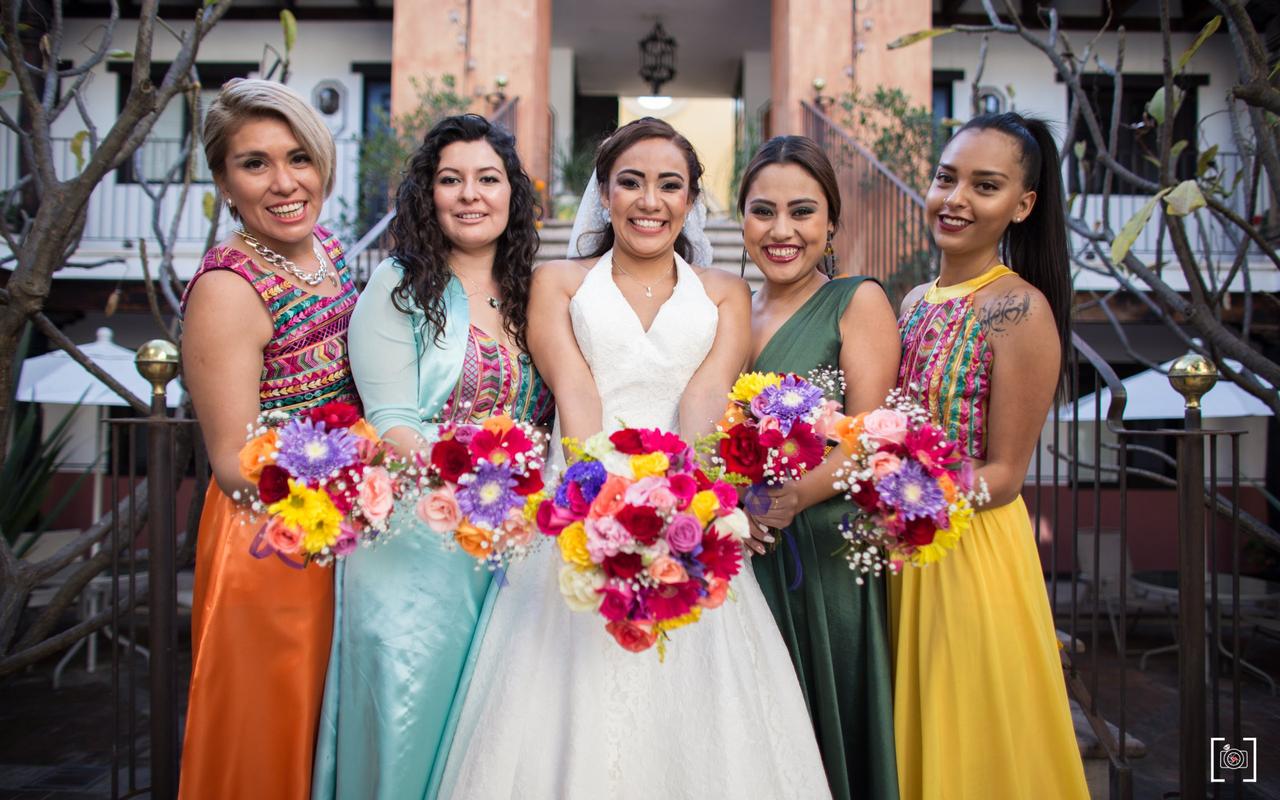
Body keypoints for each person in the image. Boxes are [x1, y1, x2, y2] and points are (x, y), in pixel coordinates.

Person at [436, 117, 832, 800]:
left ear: (691, 200)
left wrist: (696, 513)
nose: (650, 201)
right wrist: (601, 514)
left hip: (686, 507)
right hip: (581, 502)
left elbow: (707, 405)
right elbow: (576, 395)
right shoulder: (556, 280)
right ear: (605, 193)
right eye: (632, 183)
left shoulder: (723, 292)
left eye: (669, 185)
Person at [310, 114, 553, 800]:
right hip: (416, 547)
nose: (470, 195)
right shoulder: (397, 285)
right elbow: (389, 421)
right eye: (452, 180)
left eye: (487, 179)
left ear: (514, 194)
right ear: (428, 194)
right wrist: (483, 481)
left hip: (511, 548)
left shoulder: (534, 290)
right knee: (410, 719)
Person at [893, 112, 1089, 799]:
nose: (956, 200)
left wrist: (904, 497)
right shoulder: (915, 299)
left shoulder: (1019, 309)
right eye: (947, 178)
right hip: (894, 547)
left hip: (966, 554)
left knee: (967, 745)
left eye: (985, 185)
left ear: (1022, 204)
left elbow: (1005, 474)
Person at [178, 78, 356, 800]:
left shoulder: (334, 255)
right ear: (224, 181)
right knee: (269, 730)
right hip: (270, 544)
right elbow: (232, 462)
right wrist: (364, 468)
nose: (285, 183)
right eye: (255, 164)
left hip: (344, 527)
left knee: (326, 733)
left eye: (298, 158)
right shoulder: (227, 286)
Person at [739, 135, 901, 800]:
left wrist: (787, 501)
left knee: (825, 725)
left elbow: (870, 435)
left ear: (831, 222)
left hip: (826, 549)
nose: (782, 231)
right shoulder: (729, 312)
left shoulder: (856, 300)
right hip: (745, 555)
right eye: (762, 211)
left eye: (802, 212)